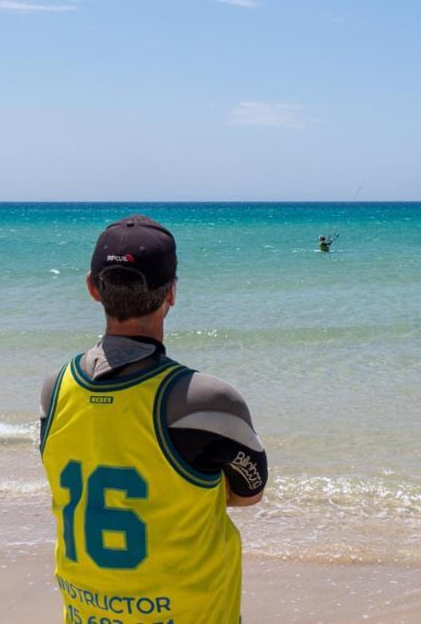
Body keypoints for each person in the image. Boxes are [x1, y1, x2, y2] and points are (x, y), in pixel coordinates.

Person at [39, 214, 267, 624]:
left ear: (93, 289)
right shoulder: (206, 401)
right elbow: (249, 496)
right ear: (172, 294)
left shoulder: (55, 390)